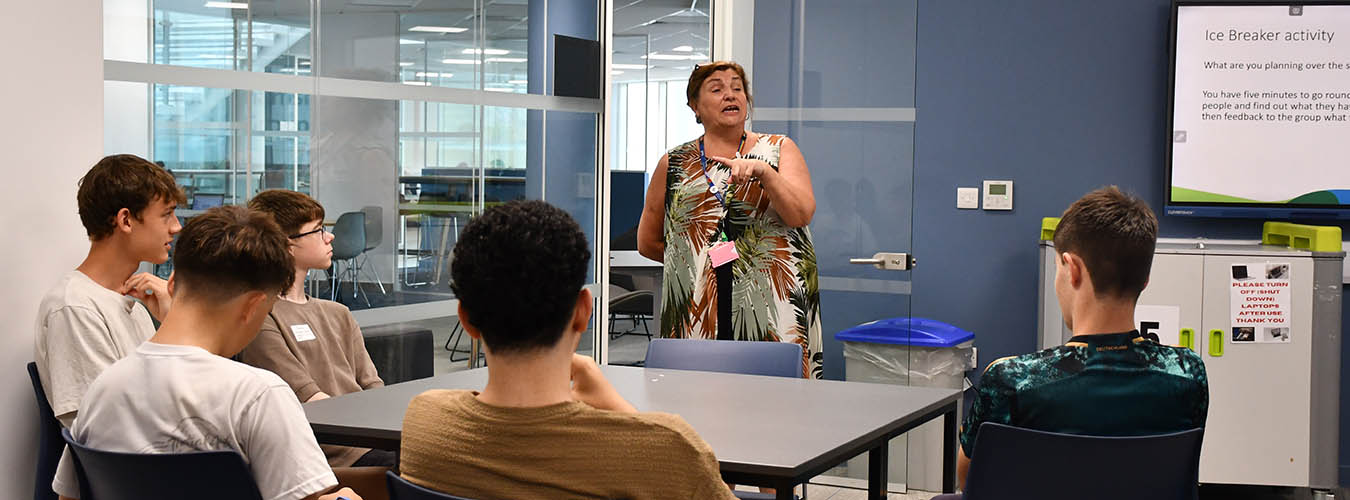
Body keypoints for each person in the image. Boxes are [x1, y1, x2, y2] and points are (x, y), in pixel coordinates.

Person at [398, 200, 735, 500]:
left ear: (467, 320)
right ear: (583, 312)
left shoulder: (426, 424)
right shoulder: (668, 450)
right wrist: (623, 412)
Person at [52, 206, 361, 500]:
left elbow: (69, 495)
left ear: (172, 283)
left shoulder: (104, 389)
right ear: (254, 306)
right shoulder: (259, 395)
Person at [957, 186, 1209, 488]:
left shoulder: (1011, 380)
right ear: (1145, 279)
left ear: (1072, 269)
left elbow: (971, 478)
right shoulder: (1187, 375)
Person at [636, 60, 823, 379]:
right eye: (717, 88)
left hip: (769, 299)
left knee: (777, 404)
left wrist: (764, 173)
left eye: (737, 88)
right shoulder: (675, 162)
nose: (730, 95)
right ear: (695, 106)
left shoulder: (779, 149)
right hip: (696, 307)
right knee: (697, 400)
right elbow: (648, 241)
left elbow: (800, 214)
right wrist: (699, 263)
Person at [238, 189, 392, 468]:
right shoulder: (263, 318)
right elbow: (309, 400)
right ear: (287, 244)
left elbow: (374, 387)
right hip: (332, 457)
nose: (330, 237)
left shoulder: (338, 312)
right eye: (318, 231)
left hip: (372, 442)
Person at [34, 154, 185, 428]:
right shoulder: (74, 307)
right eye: (166, 214)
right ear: (126, 220)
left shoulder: (134, 304)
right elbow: (103, 427)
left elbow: (175, 395)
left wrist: (173, 322)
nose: (176, 226)